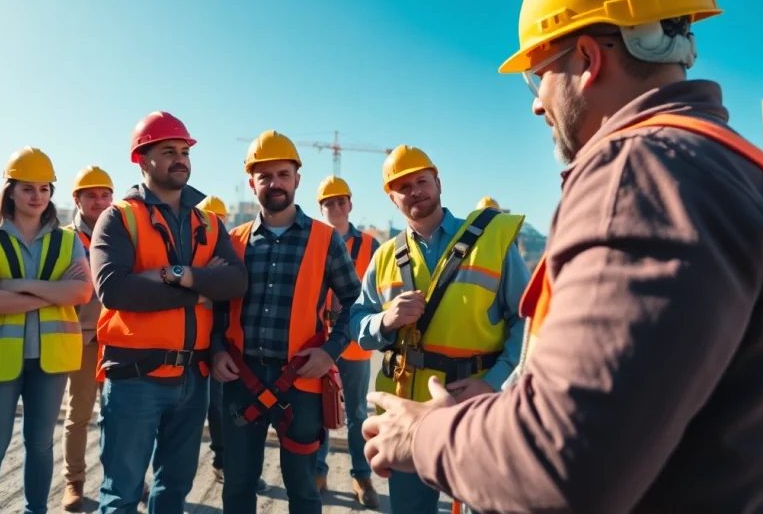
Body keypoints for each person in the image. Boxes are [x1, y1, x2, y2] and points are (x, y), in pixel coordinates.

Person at [361, 0, 763, 513]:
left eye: (537, 75)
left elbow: (560, 463)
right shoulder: (739, 170)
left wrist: (424, 434)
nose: (536, 103)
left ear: (587, 59)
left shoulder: (640, 176)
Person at [350, 145, 528, 514]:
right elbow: (357, 324)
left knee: (485, 505)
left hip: (477, 404)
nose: (415, 191)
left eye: (422, 181)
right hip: (408, 414)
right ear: (392, 198)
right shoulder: (383, 257)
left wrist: (492, 383)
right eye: (403, 186)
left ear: (438, 183)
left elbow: (527, 318)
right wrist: (385, 320)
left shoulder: (492, 240)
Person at [92, 111, 248, 514]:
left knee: (174, 489)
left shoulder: (209, 223)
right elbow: (116, 290)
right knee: (122, 494)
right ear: (142, 160)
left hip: (193, 379)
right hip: (134, 378)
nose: (180, 159)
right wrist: (199, 292)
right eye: (168, 152)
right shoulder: (118, 218)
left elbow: (235, 282)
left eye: (184, 151)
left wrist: (176, 274)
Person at [210, 130, 362, 514]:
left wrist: (331, 351)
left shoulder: (326, 239)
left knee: (304, 490)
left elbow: (354, 302)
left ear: (297, 179)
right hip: (241, 379)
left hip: (302, 380)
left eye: (283, 174)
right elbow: (216, 307)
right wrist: (216, 349)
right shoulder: (234, 241)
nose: (274, 183)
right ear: (252, 183)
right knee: (237, 485)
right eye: (265, 176)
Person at [0, 146, 92, 514]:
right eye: (27, 189)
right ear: (10, 191)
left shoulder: (67, 240)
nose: (37, 196)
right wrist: (53, 293)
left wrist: (18, 285)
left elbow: (81, 293)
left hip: (51, 359)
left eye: (44, 189)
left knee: (40, 444)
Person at [312, 175, 380, 508]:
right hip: (319, 342)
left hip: (354, 344)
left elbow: (382, 291)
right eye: (329, 203)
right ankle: (317, 470)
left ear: (350, 205)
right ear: (320, 209)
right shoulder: (312, 242)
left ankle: (361, 474)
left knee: (356, 413)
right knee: (318, 410)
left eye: (341, 201)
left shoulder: (370, 246)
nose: (336, 207)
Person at [197, 194, 270, 493]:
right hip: (189, 340)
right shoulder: (190, 249)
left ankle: (223, 462)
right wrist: (206, 276)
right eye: (210, 220)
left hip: (218, 343)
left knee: (218, 406)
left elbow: (230, 290)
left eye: (220, 220)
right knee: (188, 410)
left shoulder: (230, 250)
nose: (215, 225)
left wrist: (206, 279)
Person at [60, 165, 114, 511]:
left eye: (105, 195)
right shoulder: (63, 239)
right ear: (77, 200)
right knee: (78, 414)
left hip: (116, 340)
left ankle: (121, 478)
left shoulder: (122, 234)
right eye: (91, 195)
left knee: (118, 416)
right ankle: (74, 481)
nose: (99, 201)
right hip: (80, 339)